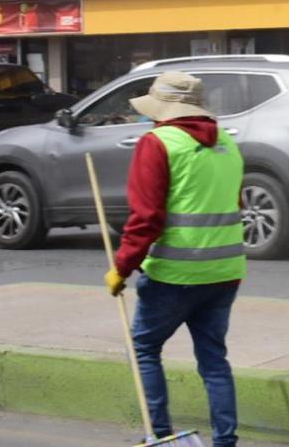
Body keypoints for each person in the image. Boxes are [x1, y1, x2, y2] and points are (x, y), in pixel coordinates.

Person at [104, 71, 244, 446]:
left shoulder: (158, 142)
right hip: (225, 271)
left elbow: (146, 218)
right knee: (214, 360)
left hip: (175, 273)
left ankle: (159, 436)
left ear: (161, 110)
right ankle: (225, 442)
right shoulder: (227, 143)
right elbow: (235, 203)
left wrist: (122, 268)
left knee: (144, 348)